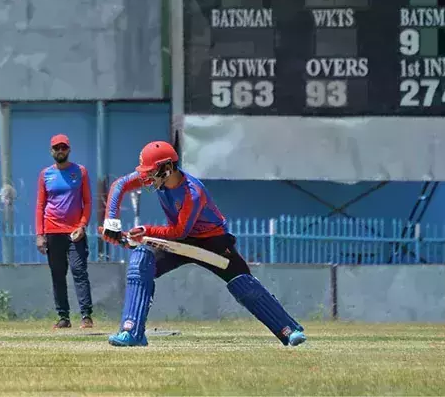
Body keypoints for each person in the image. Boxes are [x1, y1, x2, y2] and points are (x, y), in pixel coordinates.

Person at [100, 141, 307, 347]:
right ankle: (132, 331)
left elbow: (180, 230)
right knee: (141, 261)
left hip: (212, 241)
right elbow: (120, 185)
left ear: (168, 168)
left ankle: (288, 330)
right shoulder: (159, 179)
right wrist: (112, 222)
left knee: (242, 282)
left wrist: (147, 230)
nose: (146, 177)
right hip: (179, 242)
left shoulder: (192, 192)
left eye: (151, 171)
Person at [35, 134, 94, 329]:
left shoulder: (80, 172)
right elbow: (40, 205)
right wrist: (40, 234)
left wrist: (82, 225)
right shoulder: (45, 174)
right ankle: (64, 317)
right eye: (56, 148)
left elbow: (87, 202)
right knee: (58, 274)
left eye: (63, 147)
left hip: (74, 232)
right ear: (51, 151)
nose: (60, 151)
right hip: (52, 231)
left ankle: (86, 316)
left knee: (79, 271)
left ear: (69, 150)